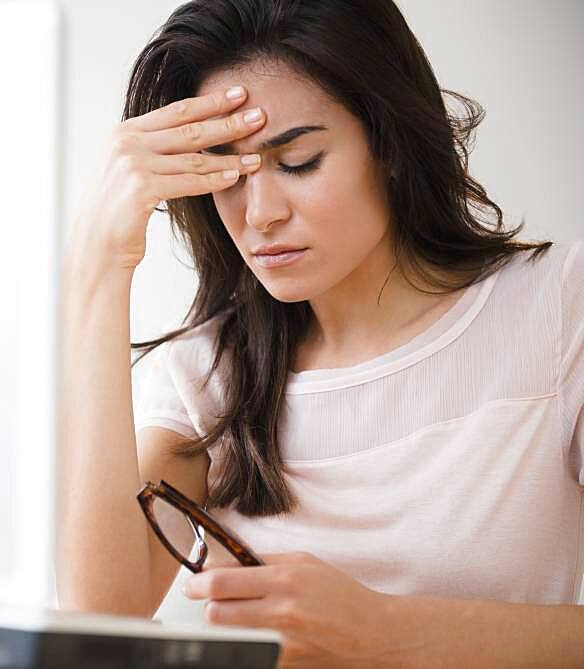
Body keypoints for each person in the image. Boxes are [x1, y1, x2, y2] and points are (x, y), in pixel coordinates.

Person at [56, 0, 584, 666]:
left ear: (388, 145)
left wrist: (389, 631)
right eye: (228, 171)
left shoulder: (560, 308)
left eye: (299, 161)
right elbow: (94, 618)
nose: (260, 214)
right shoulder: (208, 374)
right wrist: (97, 267)